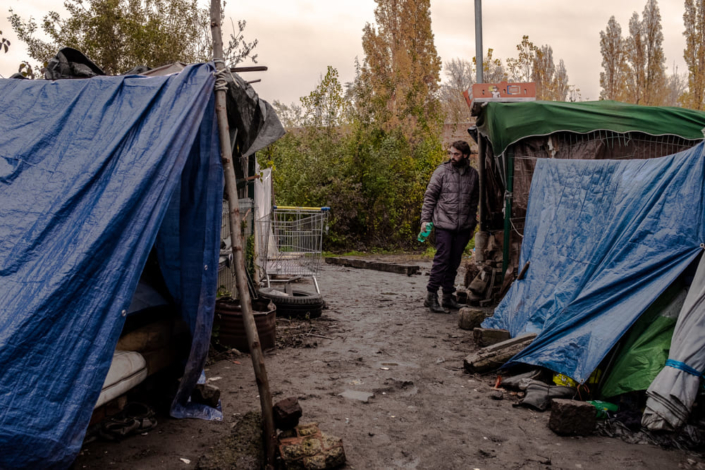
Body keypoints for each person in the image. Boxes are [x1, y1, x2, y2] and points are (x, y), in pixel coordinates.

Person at [420, 140, 479, 313]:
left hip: (463, 227)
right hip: (443, 224)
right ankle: (431, 296)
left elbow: (474, 202)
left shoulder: (473, 175)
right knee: (441, 260)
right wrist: (425, 220)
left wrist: (471, 226)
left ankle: (447, 297)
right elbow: (429, 197)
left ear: (465, 155)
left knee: (454, 262)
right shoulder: (441, 172)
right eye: (451, 153)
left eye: (456, 154)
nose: (452, 157)